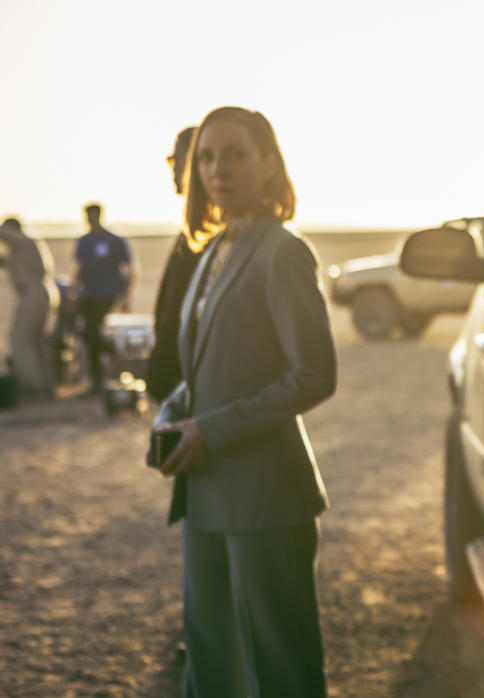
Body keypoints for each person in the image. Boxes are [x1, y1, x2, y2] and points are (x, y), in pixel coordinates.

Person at [152, 106, 336, 697]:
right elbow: (203, 368)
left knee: (280, 671)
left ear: (269, 164)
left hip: (265, 498)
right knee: (209, 665)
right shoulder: (210, 253)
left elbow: (313, 375)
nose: (217, 169)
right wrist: (172, 414)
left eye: (235, 154)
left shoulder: (283, 252)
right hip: (203, 492)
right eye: (206, 156)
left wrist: (212, 430)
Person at [146, 126, 204, 402]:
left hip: (191, 391)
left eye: (174, 159)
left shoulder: (206, 238)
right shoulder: (192, 233)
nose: (171, 168)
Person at [73, 202, 134, 393]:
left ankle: (113, 354)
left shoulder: (113, 241)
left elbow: (129, 268)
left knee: (92, 331)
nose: (90, 219)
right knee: (88, 335)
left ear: (99, 215)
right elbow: (80, 269)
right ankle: (97, 379)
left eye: (93, 215)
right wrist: (74, 292)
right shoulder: (84, 241)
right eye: (88, 215)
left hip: (107, 293)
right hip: (88, 294)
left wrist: (126, 295)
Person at [0, 217, 59, 397]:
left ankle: (31, 386)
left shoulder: (25, 241)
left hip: (34, 294)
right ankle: (45, 385)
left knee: (21, 339)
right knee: (36, 341)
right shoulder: (21, 250)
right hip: (39, 294)